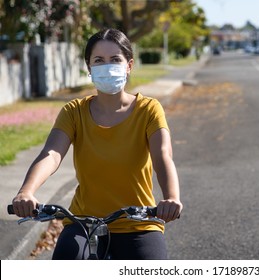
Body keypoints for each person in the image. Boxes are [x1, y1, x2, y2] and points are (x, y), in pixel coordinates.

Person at [11, 28, 183, 260]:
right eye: (99, 60)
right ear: (89, 68)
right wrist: (26, 191)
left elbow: (163, 156)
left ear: (129, 66)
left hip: (138, 223)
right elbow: (51, 153)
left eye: (115, 59)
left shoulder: (149, 110)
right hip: (83, 223)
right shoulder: (74, 112)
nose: (107, 66)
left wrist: (171, 197)